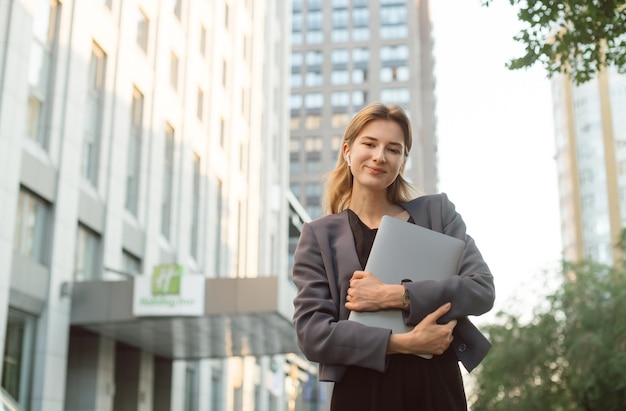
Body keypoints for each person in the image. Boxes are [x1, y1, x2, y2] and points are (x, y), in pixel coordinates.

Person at [291, 102, 495, 410]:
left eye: (393, 149)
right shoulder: (319, 236)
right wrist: (404, 343)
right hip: (362, 391)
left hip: (436, 386)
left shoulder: (438, 215)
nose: (379, 156)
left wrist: (394, 296)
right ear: (347, 151)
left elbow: (481, 289)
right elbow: (312, 334)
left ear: (402, 160)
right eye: (370, 144)